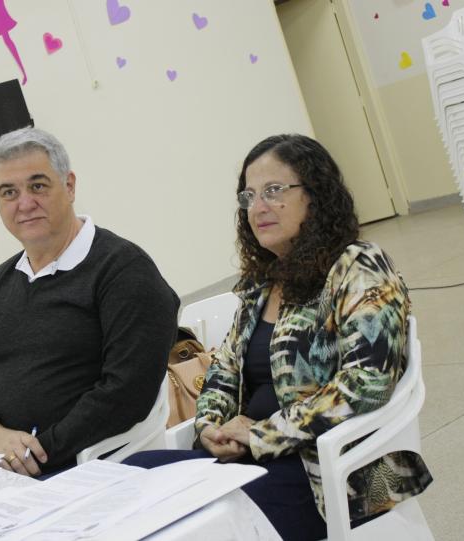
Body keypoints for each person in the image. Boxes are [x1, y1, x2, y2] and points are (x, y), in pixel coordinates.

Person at [124, 134, 432, 541]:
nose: (258, 207)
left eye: (273, 190)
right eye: (249, 196)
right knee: (133, 475)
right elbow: (223, 368)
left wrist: (262, 435)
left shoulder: (359, 266)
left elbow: (368, 382)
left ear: (315, 195)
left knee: (193, 525)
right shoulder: (263, 283)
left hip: (340, 474)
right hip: (250, 461)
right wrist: (210, 427)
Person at [0, 127, 179, 476]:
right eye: (9, 192)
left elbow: (127, 391)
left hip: (92, 467)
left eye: (38, 186)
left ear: (69, 186)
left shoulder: (122, 269)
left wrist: (36, 453)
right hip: (6, 469)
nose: (24, 203)